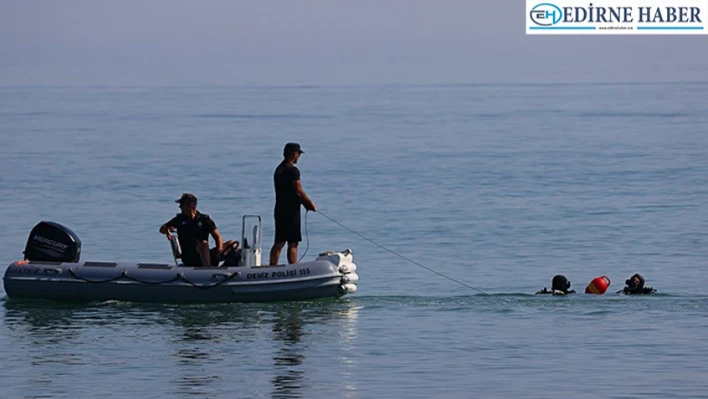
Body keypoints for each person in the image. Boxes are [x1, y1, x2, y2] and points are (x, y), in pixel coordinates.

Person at [269, 142, 317, 265]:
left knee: (279, 241)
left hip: (279, 210)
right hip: (291, 211)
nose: (298, 157)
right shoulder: (293, 171)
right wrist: (309, 204)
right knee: (293, 242)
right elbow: (299, 191)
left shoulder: (278, 169)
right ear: (294, 154)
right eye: (298, 154)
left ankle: (272, 267)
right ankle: (293, 268)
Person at [160, 193, 224, 267]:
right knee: (203, 244)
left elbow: (218, 237)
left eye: (182, 204)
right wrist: (167, 231)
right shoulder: (179, 219)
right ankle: (208, 268)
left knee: (232, 244)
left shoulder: (204, 219)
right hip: (190, 257)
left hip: (205, 254)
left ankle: (231, 269)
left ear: (190, 205)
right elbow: (162, 229)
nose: (180, 207)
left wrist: (219, 251)